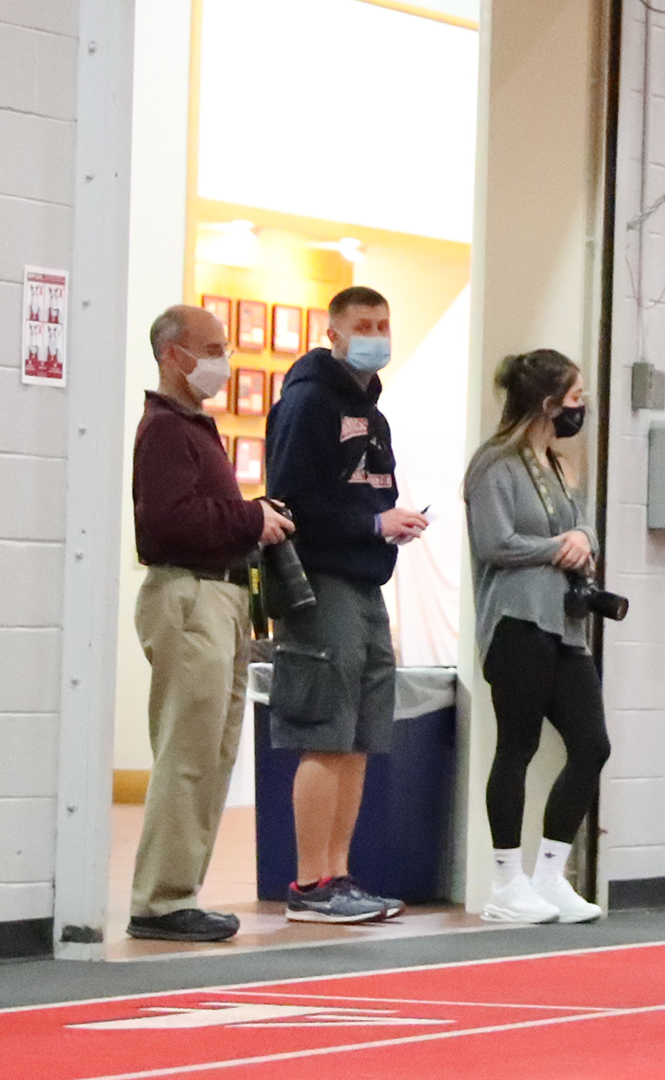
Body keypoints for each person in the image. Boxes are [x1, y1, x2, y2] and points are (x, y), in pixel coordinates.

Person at [125, 305, 295, 942]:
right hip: (191, 596)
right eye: (214, 347)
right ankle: (160, 900)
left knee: (212, 755)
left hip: (217, 597)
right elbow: (167, 524)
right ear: (174, 355)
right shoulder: (166, 429)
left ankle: (178, 893)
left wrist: (249, 515)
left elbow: (197, 512)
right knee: (188, 756)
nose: (225, 359)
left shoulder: (193, 427)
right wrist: (250, 518)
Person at [265, 286, 428, 923]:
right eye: (364, 325)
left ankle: (339, 874)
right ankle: (309, 883)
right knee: (325, 733)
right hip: (322, 580)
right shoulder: (308, 401)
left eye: (384, 324)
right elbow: (292, 502)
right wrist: (370, 525)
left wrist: (388, 523)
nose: (377, 336)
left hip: (365, 580)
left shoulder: (374, 414)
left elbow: (367, 493)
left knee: (359, 737)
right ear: (332, 333)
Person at [463, 349, 611, 924]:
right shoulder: (494, 464)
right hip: (517, 621)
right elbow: (495, 542)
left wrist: (583, 538)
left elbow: (581, 524)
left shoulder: (557, 464)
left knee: (591, 745)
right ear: (549, 405)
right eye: (575, 399)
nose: (581, 409)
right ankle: (506, 882)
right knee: (517, 746)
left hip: (565, 626)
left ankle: (550, 874)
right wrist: (558, 548)